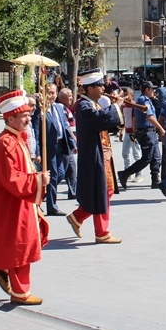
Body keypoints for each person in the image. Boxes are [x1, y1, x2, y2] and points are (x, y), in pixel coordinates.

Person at [0, 90, 50, 305]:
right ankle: (20, 292)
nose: (28, 117)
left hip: (20, 202)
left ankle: (4, 272)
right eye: (23, 115)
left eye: (28, 114)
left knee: (22, 243)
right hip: (12, 203)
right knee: (19, 245)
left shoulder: (15, 139)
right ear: (10, 118)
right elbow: (13, 179)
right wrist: (39, 180)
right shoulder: (6, 143)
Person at [66, 68, 123, 244]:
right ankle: (101, 231)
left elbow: (104, 123)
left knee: (105, 191)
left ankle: (78, 217)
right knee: (101, 193)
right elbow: (99, 120)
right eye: (99, 86)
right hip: (93, 157)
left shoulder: (93, 104)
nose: (103, 89)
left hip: (103, 155)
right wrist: (116, 107)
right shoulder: (84, 106)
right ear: (90, 88)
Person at [31, 83, 75, 216]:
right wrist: (37, 152)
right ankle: (52, 206)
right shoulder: (41, 110)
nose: (51, 95)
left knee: (60, 173)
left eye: (53, 93)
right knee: (53, 175)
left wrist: (73, 144)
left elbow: (65, 127)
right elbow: (37, 132)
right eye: (48, 92)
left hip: (61, 146)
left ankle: (42, 196)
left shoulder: (59, 108)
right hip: (49, 148)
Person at [118, 82, 165, 190]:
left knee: (156, 157)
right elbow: (149, 117)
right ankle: (125, 173)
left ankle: (155, 179)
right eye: (152, 89)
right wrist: (161, 129)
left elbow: (135, 118)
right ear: (147, 89)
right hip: (146, 132)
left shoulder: (147, 101)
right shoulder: (143, 100)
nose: (154, 91)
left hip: (150, 132)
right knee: (147, 158)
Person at [57, 88, 77, 199]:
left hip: (70, 143)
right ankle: (46, 191)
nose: (71, 98)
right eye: (69, 96)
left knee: (72, 169)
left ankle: (73, 192)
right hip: (65, 143)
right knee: (61, 172)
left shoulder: (67, 109)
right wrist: (73, 141)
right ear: (62, 97)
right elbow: (66, 127)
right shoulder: (61, 108)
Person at [121, 88, 143, 183]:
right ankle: (127, 172)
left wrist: (135, 133)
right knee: (125, 153)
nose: (125, 97)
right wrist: (122, 130)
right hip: (127, 131)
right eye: (124, 95)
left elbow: (135, 120)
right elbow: (124, 119)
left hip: (133, 132)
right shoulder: (123, 106)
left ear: (131, 95)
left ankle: (138, 173)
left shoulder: (134, 106)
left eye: (127, 94)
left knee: (136, 154)